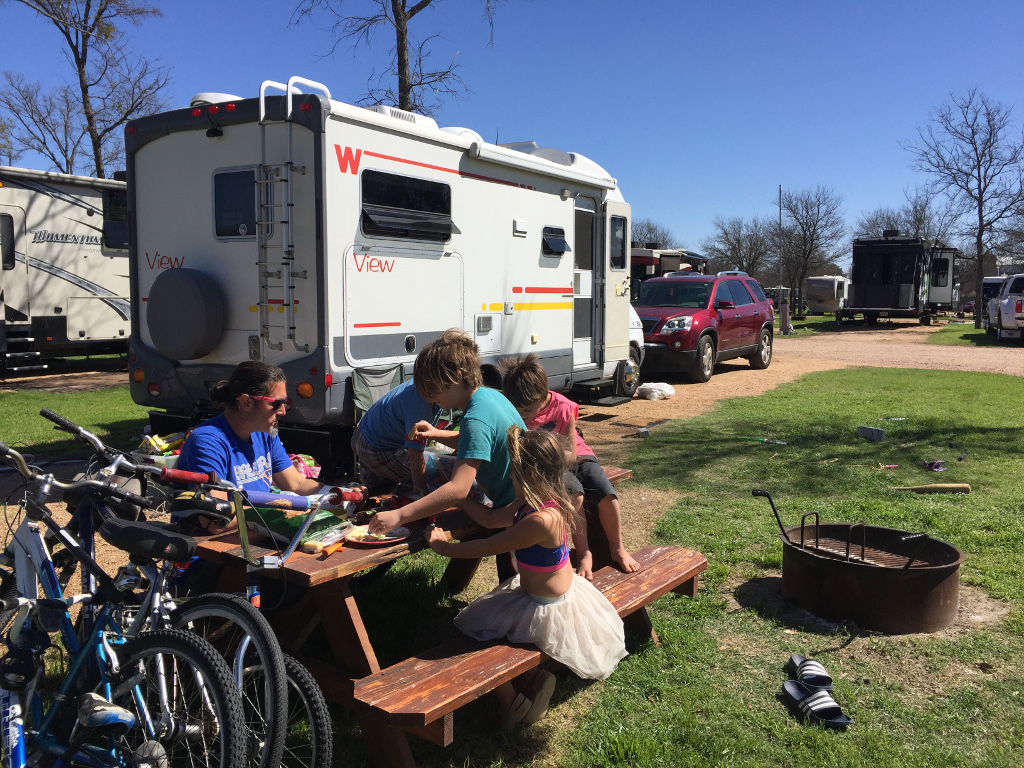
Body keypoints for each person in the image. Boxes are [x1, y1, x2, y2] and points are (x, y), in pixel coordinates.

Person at [424, 426, 627, 727]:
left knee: (477, 640)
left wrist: (442, 547)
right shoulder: (536, 502)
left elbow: (488, 544)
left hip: (550, 607)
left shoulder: (541, 520)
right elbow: (492, 519)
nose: (509, 478)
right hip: (536, 594)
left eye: (514, 473)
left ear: (530, 474)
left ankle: (517, 703)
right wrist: (459, 495)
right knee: (486, 632)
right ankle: (533, 678)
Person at [368, 329, 525, 538]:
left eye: (433, 388)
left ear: (457, 376)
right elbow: (478, 443)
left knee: (518, 570)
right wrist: (435, 434)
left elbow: (459, 489)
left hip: (517, 515)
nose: (430, 398)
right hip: (527, 503)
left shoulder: (475, 418)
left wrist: (399, 516)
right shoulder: (490, 397)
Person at [498, 353, 640, 578]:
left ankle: (618, 548)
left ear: (542, 395)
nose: (523, 417)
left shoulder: (563, 406)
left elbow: (571, 453)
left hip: (574, 458)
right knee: (575, 495)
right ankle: (584, 553)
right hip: (549, 468)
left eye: (527, 410)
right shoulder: (515, 412)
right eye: (519, 411)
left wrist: (544, 459)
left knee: (606, 493)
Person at [176, 361, 334, 534]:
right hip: (210, 550)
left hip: (256, 535)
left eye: (285, 403)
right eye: (276, 404)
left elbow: (296, 484)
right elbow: (215, 519)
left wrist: (340, 495)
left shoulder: (264, 433)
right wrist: (276, 506)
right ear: (246, 403)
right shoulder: (207, 442)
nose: (283, 411)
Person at [350, 379, 440, 493]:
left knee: (376, 492)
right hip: (376, 449)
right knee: (432, 478)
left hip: (365, 433)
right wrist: (423, 494)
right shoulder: (421, 405)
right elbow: (415, 454)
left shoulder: (422, 383)